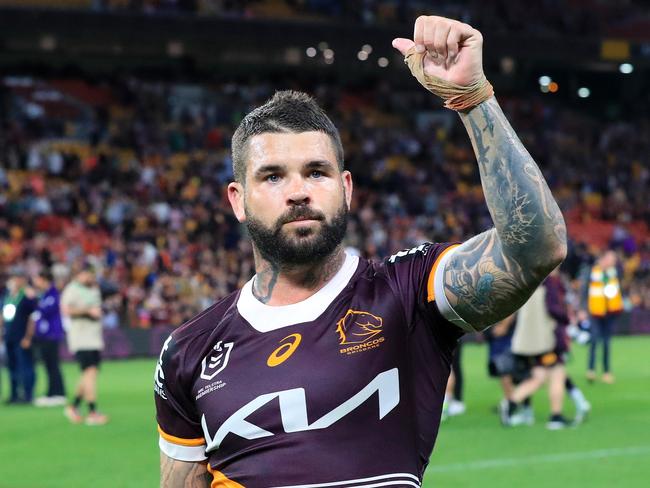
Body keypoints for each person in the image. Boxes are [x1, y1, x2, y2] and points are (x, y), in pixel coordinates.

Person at [155, 14, 567, 487]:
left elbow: (536, 248)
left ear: (346, 188)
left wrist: (473, 99)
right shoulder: (188, 351)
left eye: (317, 172)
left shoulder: (408, 292)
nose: (298, 192)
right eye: (272, 176)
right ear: (237, 200)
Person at [501, 270, 572, 430]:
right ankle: (556, 416)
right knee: (557, 373)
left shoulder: (528, 280)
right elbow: (554, 309)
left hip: (528, 340)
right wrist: (567, 319)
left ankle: (510, 403)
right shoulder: (550, 283)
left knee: (539, 376)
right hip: (546, 339)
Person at [60, 264, 109, 425]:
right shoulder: (71, 290)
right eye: (86, 274)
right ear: (78, 275)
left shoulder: (94, 289)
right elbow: (66, 310)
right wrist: (87, 311)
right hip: (81, 337)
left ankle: (73, 407)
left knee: (89, 373)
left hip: (94, 336)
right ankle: (92, 411)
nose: (89, 277)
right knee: (90, 372)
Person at [580, 249, 623, 383]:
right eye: (611, 258)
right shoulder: (591, 271)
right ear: (603, 259)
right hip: (595, 312)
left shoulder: (614, 272)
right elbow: (584, 291)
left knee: (606, 343)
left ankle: (606, 372)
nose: (614, 261)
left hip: (609, 313)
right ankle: (591, 370)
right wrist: (582, 309)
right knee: (594, 341)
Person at [30, 269, 67, 407]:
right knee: (48, 365)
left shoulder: (53, 294)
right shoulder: (45, 294)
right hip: (44, 335)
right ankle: (51, 393)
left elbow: (45, 310)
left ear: (44, 279)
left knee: (53, 365)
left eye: (37, 279)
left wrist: (35, 303)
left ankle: (59, 393)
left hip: (52, 335)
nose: (35, 282)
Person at [0, 269, 38, 404]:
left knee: (25, 366)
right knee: (12, 366)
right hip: (9, 336)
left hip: (22, 337)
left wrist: (28, 337)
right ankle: (14, 394)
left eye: (18, 278)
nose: (15, 281)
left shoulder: (27, 296)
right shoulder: (8, 295)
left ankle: (28, 395)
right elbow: (3, 316)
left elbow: (32, 318)